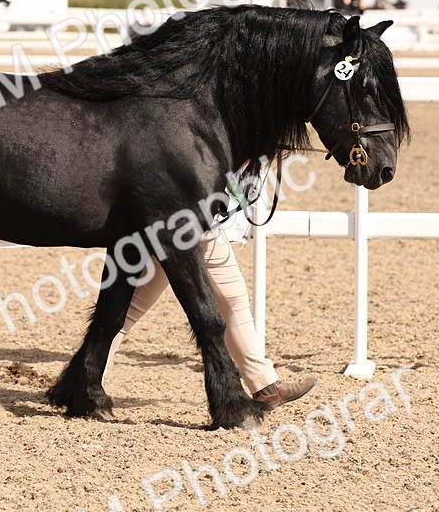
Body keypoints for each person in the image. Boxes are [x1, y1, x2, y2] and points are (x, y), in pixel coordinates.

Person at [105, 169, 317, 410]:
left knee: (232, 300)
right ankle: (86, 377)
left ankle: (266, 386)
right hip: (188, 227)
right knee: (130, 308)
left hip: (201, 228)